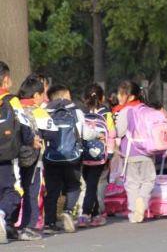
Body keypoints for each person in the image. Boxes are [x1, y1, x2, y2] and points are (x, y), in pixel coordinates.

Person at [40, 84, 94, 234]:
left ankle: (49, 223)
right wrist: (97, 135)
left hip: (51, 157)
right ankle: (68, 211)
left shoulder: (45, 111)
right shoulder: (76, 111)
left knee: (52, 190)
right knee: (74, 186)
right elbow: (86, 134)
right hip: (72, 157)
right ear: (65, 96)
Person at [0, 63, 35, 243]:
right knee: (14, 189)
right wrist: (31, 140)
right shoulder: (11, 100)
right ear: (5, 80)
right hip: (7, 154)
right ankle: (1, 216)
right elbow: (22, 124)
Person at [14, 75, 51, 241]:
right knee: (31, 191)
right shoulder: (38, 111)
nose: (44, 98)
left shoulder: (13, 107)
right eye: (42, 94)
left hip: (12, 157)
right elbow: (53, 132)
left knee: (12, 190)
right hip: (32, 158)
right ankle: (27, 227)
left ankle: (9, 224)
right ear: (35, 95)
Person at [114, 80, 155, 224]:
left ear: (130, 97)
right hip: (148, 154)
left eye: (121, 94)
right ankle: (142, 201)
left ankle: (133, 212)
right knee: (148, 181)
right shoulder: (148, 110)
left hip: (130, 154)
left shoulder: (125, 111)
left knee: (131, 184)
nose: (118, 96)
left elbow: (118, 132)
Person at [79, 84, 115, 228]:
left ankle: (95, 215)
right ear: (102, 98)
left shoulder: (81, 113)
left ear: (85, 98)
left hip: (83, 154)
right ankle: (86, 214)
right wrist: (110, 153)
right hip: (99, 156)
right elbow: (111, 134)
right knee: (92, 185)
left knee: (89, 184)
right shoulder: (106, 114)